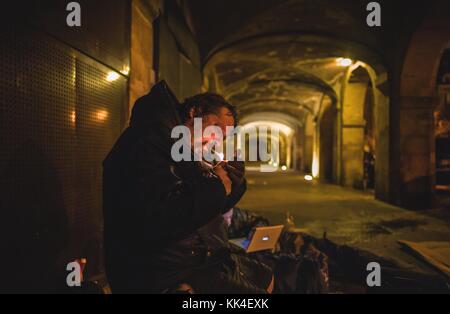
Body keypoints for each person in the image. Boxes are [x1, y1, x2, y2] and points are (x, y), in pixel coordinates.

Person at [103, 81, 273, 293]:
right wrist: (217, 187)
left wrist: (233, 185)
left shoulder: (185, 146)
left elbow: (205, 207)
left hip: (193, 254)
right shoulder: (149, 142)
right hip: (156, 267)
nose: (216, 140)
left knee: (266, 276)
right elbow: (162, 216)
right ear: (195, 112)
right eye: (216, 128)